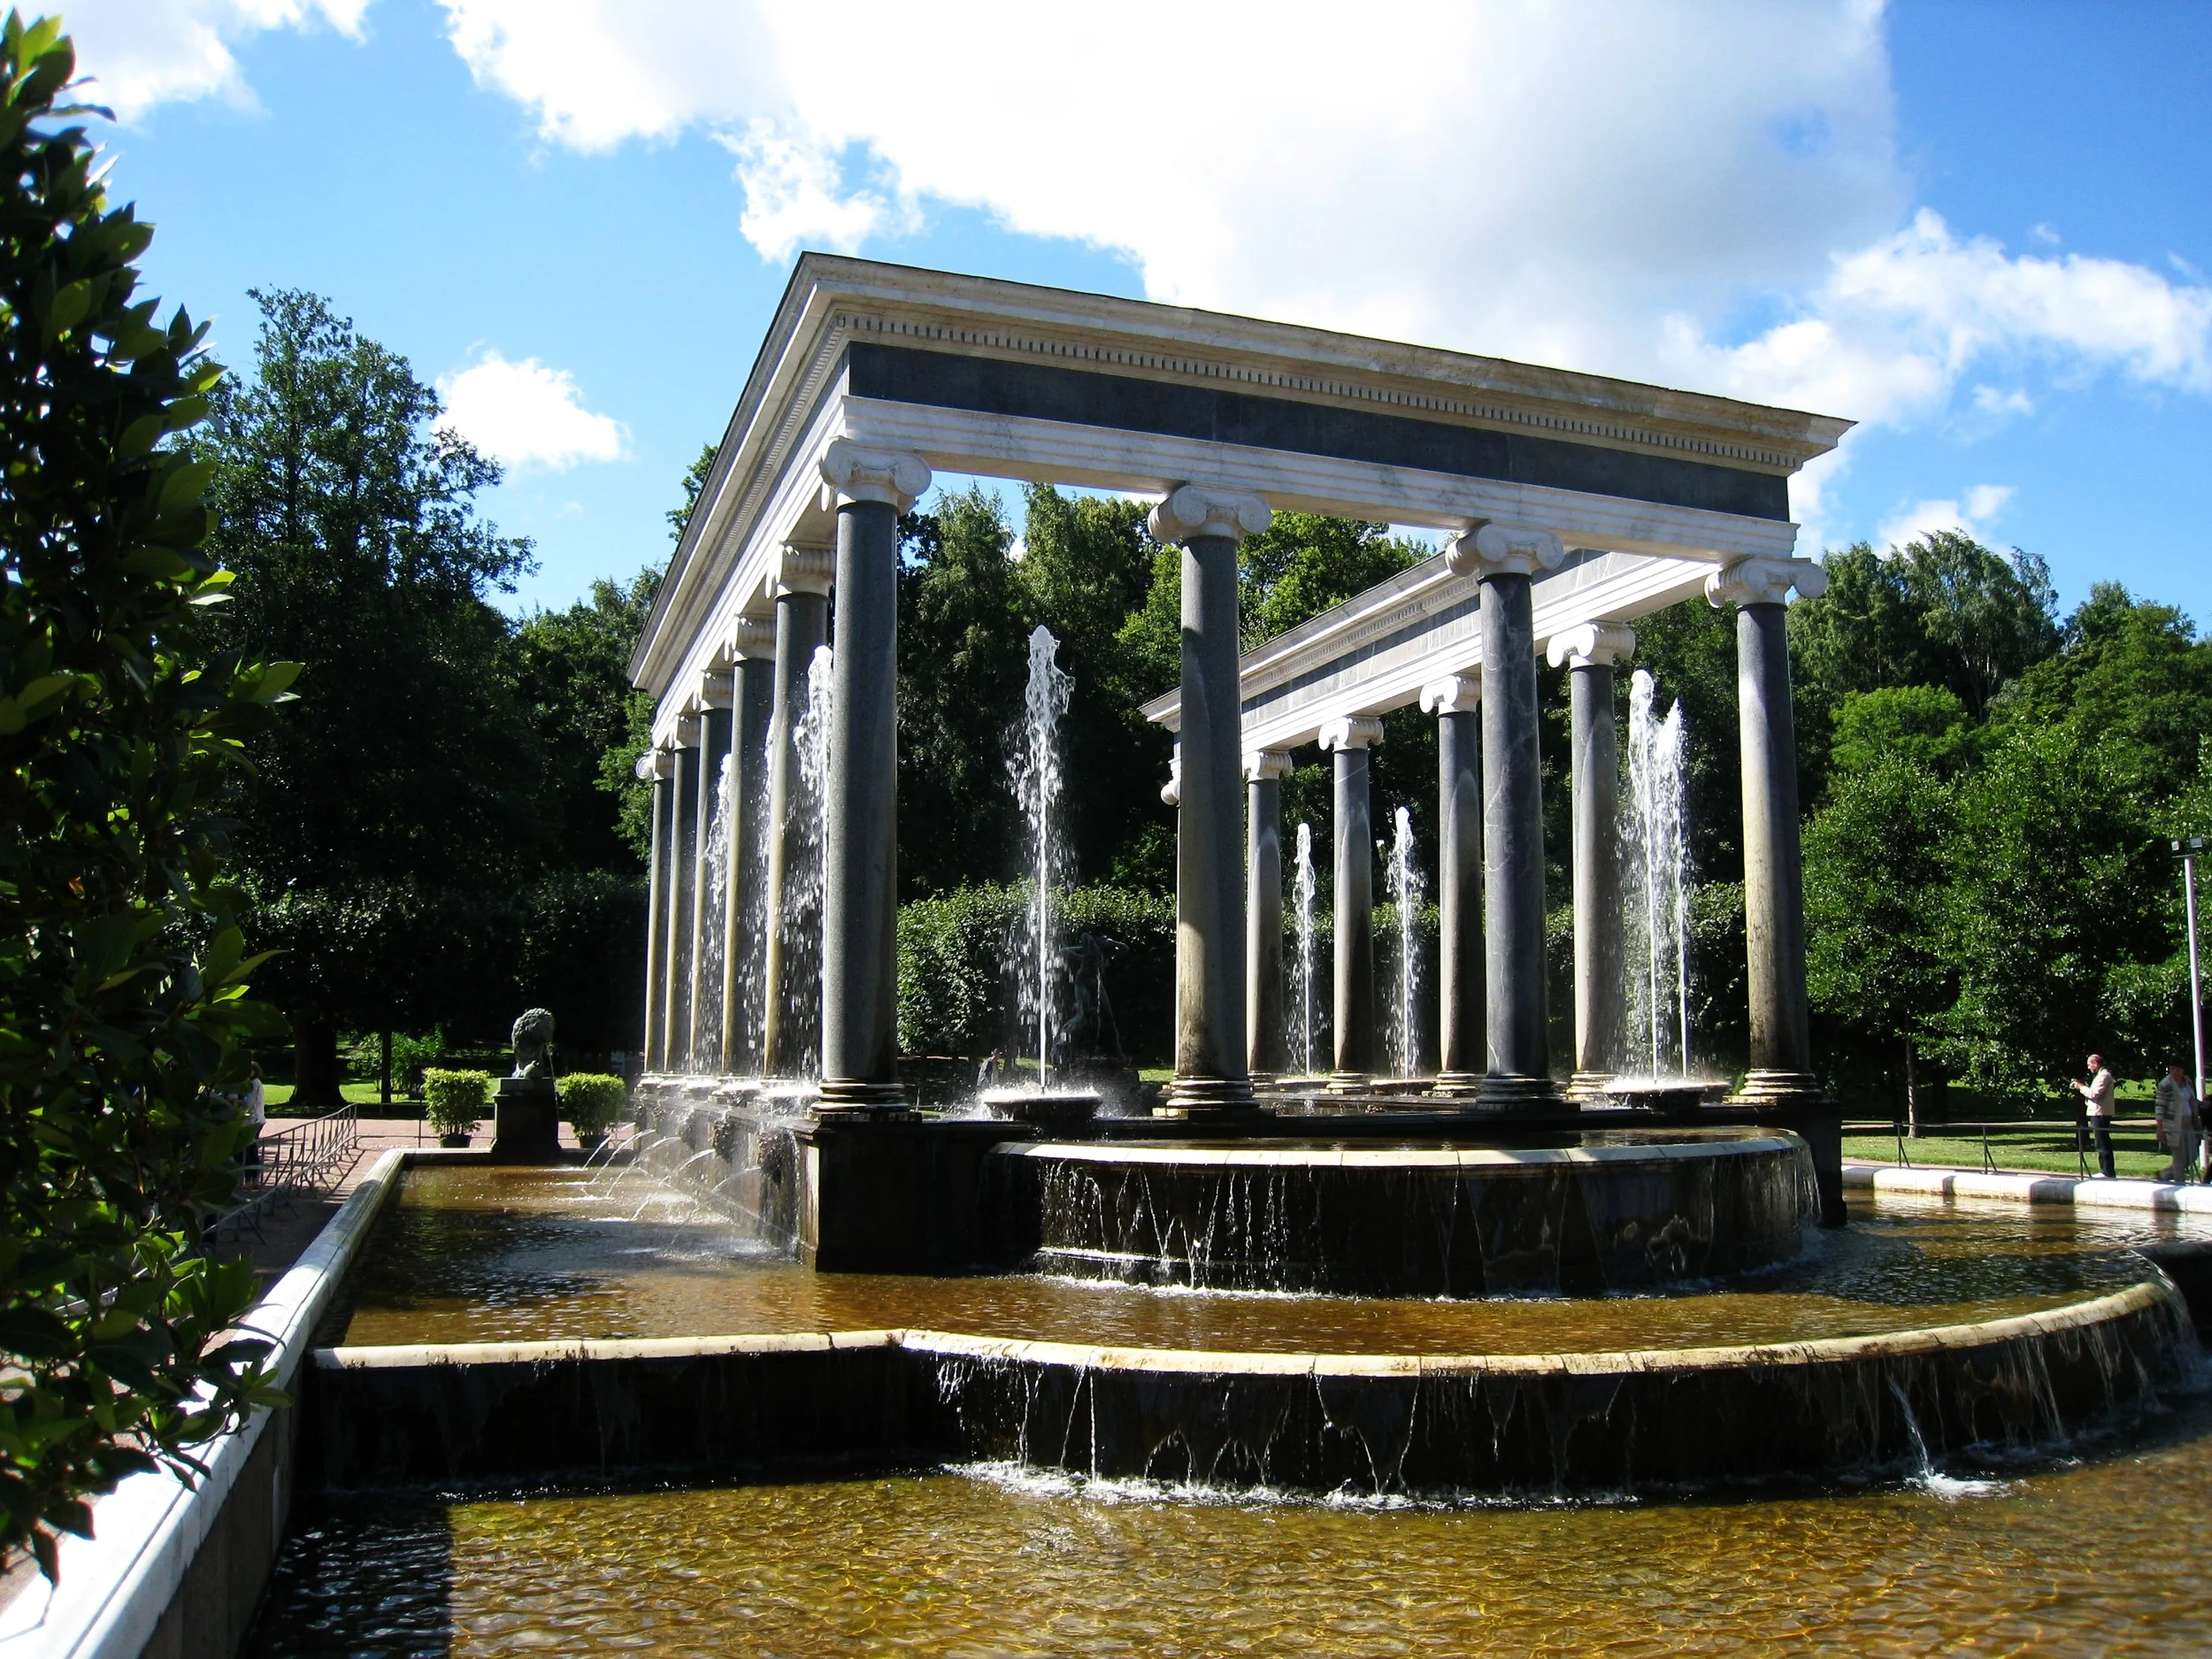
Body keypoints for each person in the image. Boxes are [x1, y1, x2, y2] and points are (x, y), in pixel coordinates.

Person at [2154, 1061, 2199, 1182]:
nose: (2173, 1072)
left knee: (2192, 1154)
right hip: (2173, 1124)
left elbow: (2191, 1099)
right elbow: (2160, 1106)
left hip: (2189, 1122)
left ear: (2182, 1070)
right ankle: (2180, 1182)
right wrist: (2160, 1128)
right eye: (2171, 1069)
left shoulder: (2187, 1082)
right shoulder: (2166, 1084)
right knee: (2179, 1157)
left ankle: (2165, 1174)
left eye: (2175, 1069)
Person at [2075, 1054, 2117, 1179]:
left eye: (2089, 1064)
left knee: (2102, 1142)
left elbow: (2093, 1093)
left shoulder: (2103, 1076)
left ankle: (2107, 1171)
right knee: (2101, 1142)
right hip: (2098, 1112)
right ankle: (2106, 1170)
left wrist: (2080, 1087)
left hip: (2100, 1113)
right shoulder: (2102, 1076)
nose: (2088, 1067)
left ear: (2096, 1064)